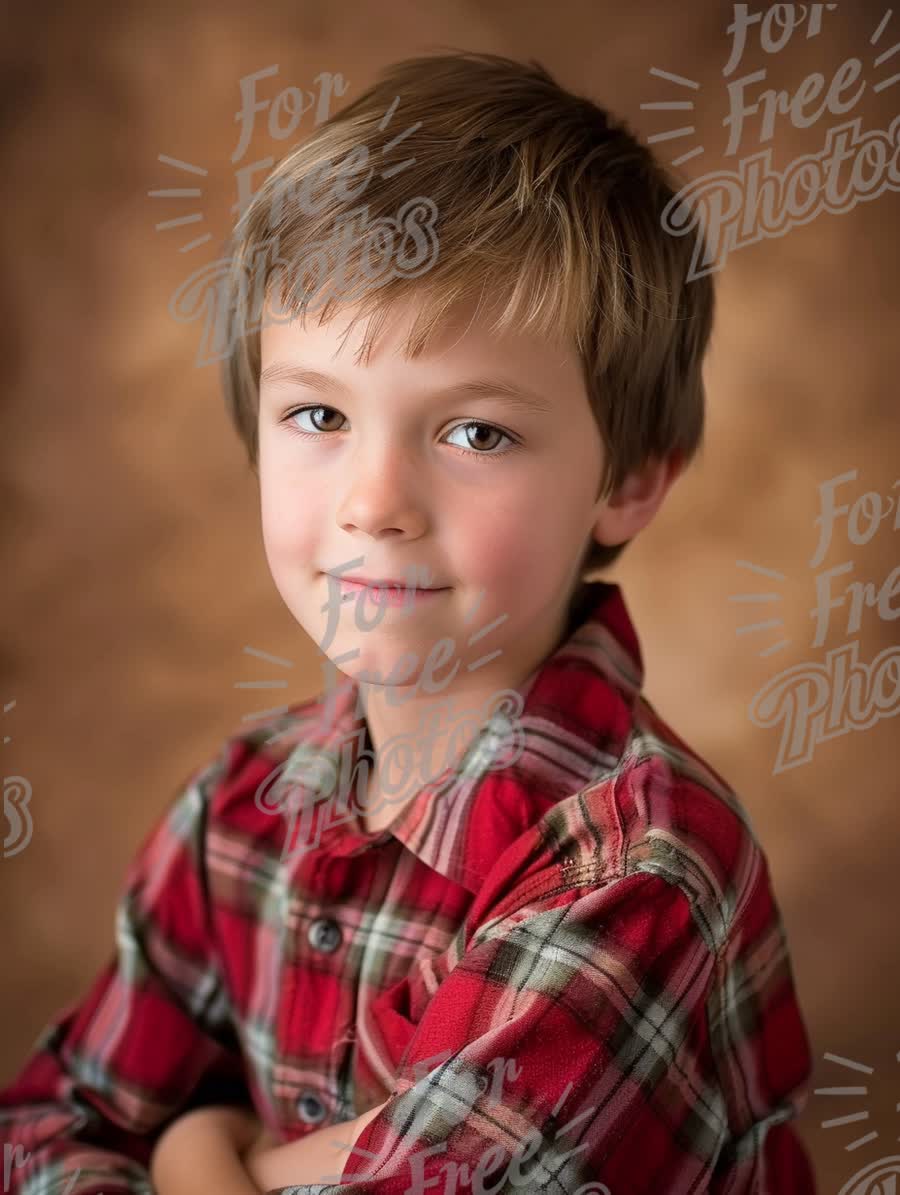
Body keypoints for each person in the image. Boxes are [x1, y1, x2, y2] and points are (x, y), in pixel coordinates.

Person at [0, 48, 816, 1194]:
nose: (373, 503)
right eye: (319, 412)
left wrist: (199, 1153)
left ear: (629, 477)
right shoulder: (240, 812)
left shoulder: (640, 875)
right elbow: (40, 1128)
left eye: (475, 432)